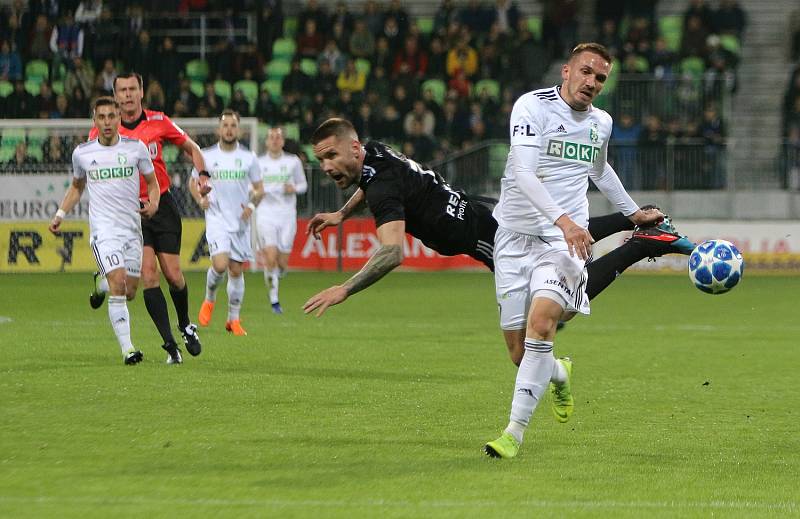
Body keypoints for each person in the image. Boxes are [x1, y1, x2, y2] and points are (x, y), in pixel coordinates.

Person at [303, 118, 693, 324]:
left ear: (352, 148)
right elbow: (369, 184)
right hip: (480, 207)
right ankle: (639, 220)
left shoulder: (382, 185)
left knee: (562, 309)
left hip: (485, 234)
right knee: (561, 241)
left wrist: (346, 288)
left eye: (332, 156)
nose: (326, 167)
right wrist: (340, 214)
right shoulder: (373, 154)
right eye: (321, 160)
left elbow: (391, 253)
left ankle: (643, 243)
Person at [482, 43, 669, 459]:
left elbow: (600, 170)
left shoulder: (601, 122)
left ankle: (513, 433)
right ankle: (559, 372)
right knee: (519, 353)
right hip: (513, 238)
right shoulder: (531, 108)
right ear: (566, 71)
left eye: (600, 78)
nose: (592, 82)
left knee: (543, 322)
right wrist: (562, 219)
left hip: (561, 243)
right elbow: (524, 175)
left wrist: (632, 212)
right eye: (586, 72)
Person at [88, 72, 207, 363]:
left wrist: (203, 174)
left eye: (132, 89)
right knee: (147, 277)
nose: (127, 95)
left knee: (174, 276)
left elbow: (193, 147)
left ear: (142, 92)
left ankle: (185, 325)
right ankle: (170, 346)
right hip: (130, 213)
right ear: (115, 96)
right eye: (122, 90)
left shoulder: (159, 122)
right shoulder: (101, 134)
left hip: (162, 205)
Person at [49, 97, 159, 365]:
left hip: (132, 230)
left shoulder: (136, 148)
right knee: (119, 283)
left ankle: (100, 285)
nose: (107, 122)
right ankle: (128, 349)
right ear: (94, 120)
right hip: (104, 230)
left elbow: (152, 183)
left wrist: (153, 203)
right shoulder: (83, 153)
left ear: (120, 118)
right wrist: (60, 214)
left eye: (112, 116)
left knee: (130, 290)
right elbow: (77, 187)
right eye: (102, 117)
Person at [192, 110, 264, 336]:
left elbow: (260, 189)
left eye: (233, 125)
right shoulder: (206, 156)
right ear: (218, 130)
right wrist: (200, 199)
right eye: (226, 125)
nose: (229, 129)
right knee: (221, 265)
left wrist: (251, 207)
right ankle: (209, 299)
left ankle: (233, 319)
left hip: (240, 222)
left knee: (235, 270)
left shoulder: (249, 158)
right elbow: (193, 183)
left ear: (239, 130)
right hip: (217, 218)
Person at [255, 127, 308, 314]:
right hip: (265, 214)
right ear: (267, 141)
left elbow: (303, 185)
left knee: (282, 262)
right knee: (270, 258)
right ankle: (274, 300)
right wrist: (256, 192)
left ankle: (279, 273)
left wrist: (292, 188)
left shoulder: (292, 162)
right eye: (272, 137)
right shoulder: (259, 163)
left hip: (287, 215)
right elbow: (250, 187)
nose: (275, 140)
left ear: (283, 141)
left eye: (278, 137)